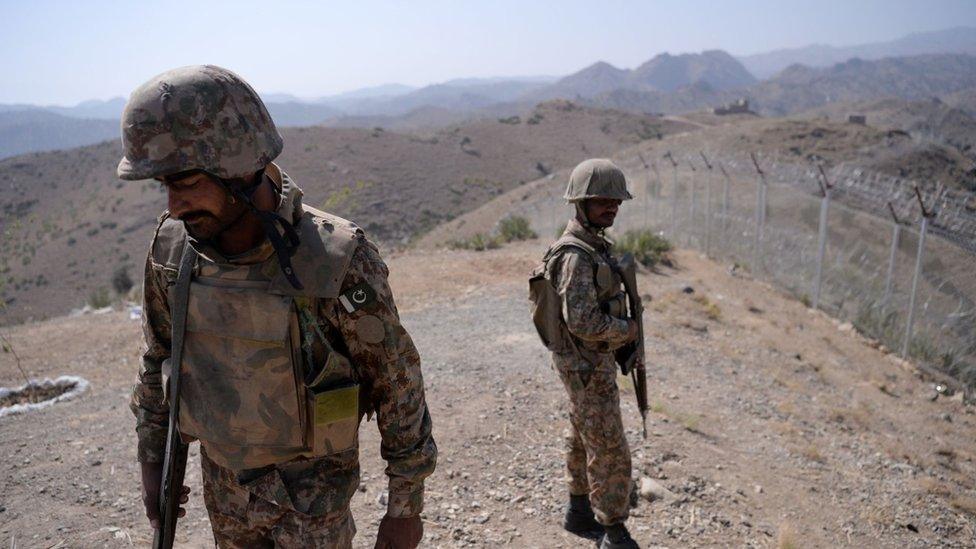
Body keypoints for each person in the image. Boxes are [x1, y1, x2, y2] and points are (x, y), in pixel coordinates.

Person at [121, 65, 436, 549]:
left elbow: (397, 382)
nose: (175, 205)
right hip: (226, 494)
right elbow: (158, 357)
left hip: (313, 503)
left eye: (185, 182)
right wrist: (151, 460)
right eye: (164, 185)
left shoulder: (334, 261)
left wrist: (404, 508)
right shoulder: (173, 252)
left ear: (239, 166)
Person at [533, 158, 640, 549]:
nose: (611, 208)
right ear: (580, 203)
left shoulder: (592, 247)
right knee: (609, 446)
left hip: (584, 363)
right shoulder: (577, 255)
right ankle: (613, 529)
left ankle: (579, 511)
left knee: (583, 433)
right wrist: (628, 330)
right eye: (601, 201)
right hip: (585, 364)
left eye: (616, 202)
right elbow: (584, 323)